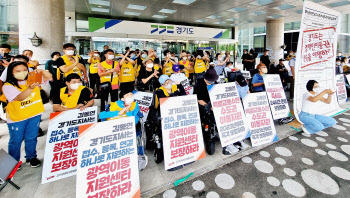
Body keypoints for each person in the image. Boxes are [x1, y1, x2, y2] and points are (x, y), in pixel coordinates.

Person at [3, 61, 52, 167]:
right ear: (11, 72)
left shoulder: (33, 79)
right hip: (18, 118)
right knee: (16, 140)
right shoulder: (7, 86)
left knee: (32, 137)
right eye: (18, 71)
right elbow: (20, 97)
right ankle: (14, 161)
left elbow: (49, 76)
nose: (22, 72)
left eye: (25, 70)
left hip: (34, 114)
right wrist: (30, 88)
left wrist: (42, 71)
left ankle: (31, 157)